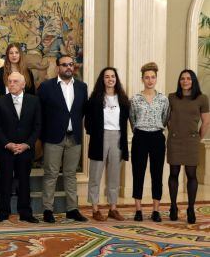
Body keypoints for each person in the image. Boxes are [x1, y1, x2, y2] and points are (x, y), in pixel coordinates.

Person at [38, 55, 88, 223]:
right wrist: (42, 136)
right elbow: (40, 114)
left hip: (74, 138)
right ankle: (47, 210)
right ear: (58, 67)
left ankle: (72, 209)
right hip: (53, 137)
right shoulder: (46, 87)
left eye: (71, 65)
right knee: (51, 174)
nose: (68, 67)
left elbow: (82, 112)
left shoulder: (82, 87)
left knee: (70, 174)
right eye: (65, 65)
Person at [0, 72, 40, 223]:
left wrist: (27, 144)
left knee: (24, 182)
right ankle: (3, 212)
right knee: (4, 181)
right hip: (6, 149)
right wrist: (7, 144)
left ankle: (25, 212)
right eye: (9, 81)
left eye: (15, 81)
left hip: (25, 149)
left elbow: (38, 126)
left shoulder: (34, 101)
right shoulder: (0, 101)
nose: (11, 84)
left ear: (23, 84)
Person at [85, 67, 130, 222]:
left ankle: (113, 208)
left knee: (114, 176)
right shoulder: (95, 98)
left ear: (116, 79)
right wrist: (96, 133)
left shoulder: (123, 99)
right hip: (100, 138)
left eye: (113, 76)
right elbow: (88, 121)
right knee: (95, 175)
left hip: (117, 138)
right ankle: (95, 209)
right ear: (102, 79)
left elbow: (126, 122)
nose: (110, 79)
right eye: (107, 76)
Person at [167, 69, 209, 224]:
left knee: (191, 174)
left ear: (193, 81)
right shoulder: (172, 97)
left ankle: (191, 208)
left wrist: (198, 137)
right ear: (179, 81)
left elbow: (206, 122)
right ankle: (173, 206)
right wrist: (174, 130)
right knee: (174, 173)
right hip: (175, 140)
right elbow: (167, 118)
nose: (185, 81)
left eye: (188, 79)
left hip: (191, 141)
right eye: (182, 78)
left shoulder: (202, 98)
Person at [130, 62, 169, 222]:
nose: (150, 80)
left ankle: (155, 210)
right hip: (140, 137)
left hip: (157, 137)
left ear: (156, 79)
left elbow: (165, 118)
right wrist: (139, 130)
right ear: (142, 79)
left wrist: (156, 128)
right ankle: (138, 209)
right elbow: (132, 119)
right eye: (147, 77)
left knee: (157, 173)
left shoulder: (163, 99)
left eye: (153, 77)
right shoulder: (135, 99)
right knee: (138, 173)